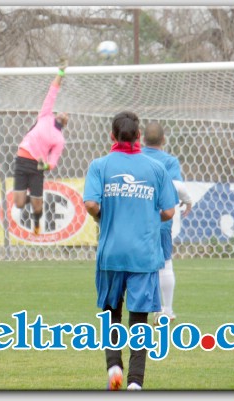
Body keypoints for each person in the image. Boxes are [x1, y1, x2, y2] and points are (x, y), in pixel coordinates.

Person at [83, 111, 176, 391]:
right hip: (144, 254)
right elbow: (169, 210)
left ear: (112, 136)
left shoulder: (99, 166)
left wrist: (105, 216)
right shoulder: (157, 169)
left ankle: (113, 365)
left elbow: (90, 204)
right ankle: (135, 382)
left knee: (112, 311)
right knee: (139, 318)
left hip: (111, 252)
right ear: (138, 137)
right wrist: (147, 217)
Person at [142, 121, 192, 324]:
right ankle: (167, 311)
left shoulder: (137, 158)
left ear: (142, 139)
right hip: (161, 217)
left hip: (138, 218)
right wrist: (188, 200)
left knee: (139, 266)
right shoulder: (169, 161)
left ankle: (142, 310)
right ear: (164, 139)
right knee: (165, 263)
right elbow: (176, 184)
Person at [12, 59, 69, 235]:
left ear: (66, 122)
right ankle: (34, 202)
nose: (63, 113)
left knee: (37, 207)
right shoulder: (45, 115)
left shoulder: (59, 139)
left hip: (37, 167)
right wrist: (60, 74)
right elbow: (52, 93)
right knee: (19, 203)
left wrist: (45, 166)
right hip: (22, 160)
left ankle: (37, 221)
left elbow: (52, 162)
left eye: (66, 115)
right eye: (61, 111)